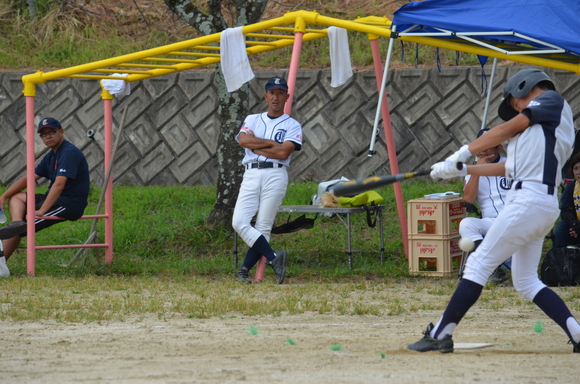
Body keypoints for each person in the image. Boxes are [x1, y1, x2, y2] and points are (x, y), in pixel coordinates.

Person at [408, 68, 580, 354]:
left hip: (529, 200)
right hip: (538, 203)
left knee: (477, 266)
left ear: (525, 88)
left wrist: (460, 153)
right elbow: (506, 167)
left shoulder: (551, 100)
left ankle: (441, 332)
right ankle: (577, 333)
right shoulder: (536, 133)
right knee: (525, 280)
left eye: (515, 103)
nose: (517, 110)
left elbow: (503, 130)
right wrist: (459, 169)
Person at [231, 77, 303, 284]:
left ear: (287, 97)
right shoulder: (253, 119)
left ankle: (243, 271)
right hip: (252, 172)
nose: (275, 97)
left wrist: (255, 146)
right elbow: (243, 140)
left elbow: (283, 153)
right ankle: (274, 257)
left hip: (275, 174)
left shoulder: (292, 125)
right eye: (272, 92)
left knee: (263, 227)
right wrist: (271, 144)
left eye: (280, 93)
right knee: (239, 222)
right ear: (265, 95)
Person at [0, 117, 90, 278]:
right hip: (54, 199)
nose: (47, 136)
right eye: (43, 134)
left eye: (51, 132)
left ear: (61, 132)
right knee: (17, 197)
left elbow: (59, 185)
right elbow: (30, 178)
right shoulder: (51, 155)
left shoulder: (68, 153)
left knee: (21, 230)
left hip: (68, 203)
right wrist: (5, 195)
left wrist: (41, 210)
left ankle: (3, 263)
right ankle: (16, 223)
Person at [460, 128, 512, 284]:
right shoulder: (471, 171)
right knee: (466, 223)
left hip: (513, 219)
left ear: (499, 148)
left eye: (488, 145)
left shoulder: (510, 165)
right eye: (480, 145)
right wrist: (478, 170)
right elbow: (468, 199)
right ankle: (492, 269)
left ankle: (480, 268)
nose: (483, 149)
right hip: (490, 221)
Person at [554, 153, 580, 248]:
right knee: (562, 225)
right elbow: (566, 209)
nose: (578, 172)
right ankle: (559, 258)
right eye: (575, 168)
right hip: (576, 228)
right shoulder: (572, 186)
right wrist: (574, 224)